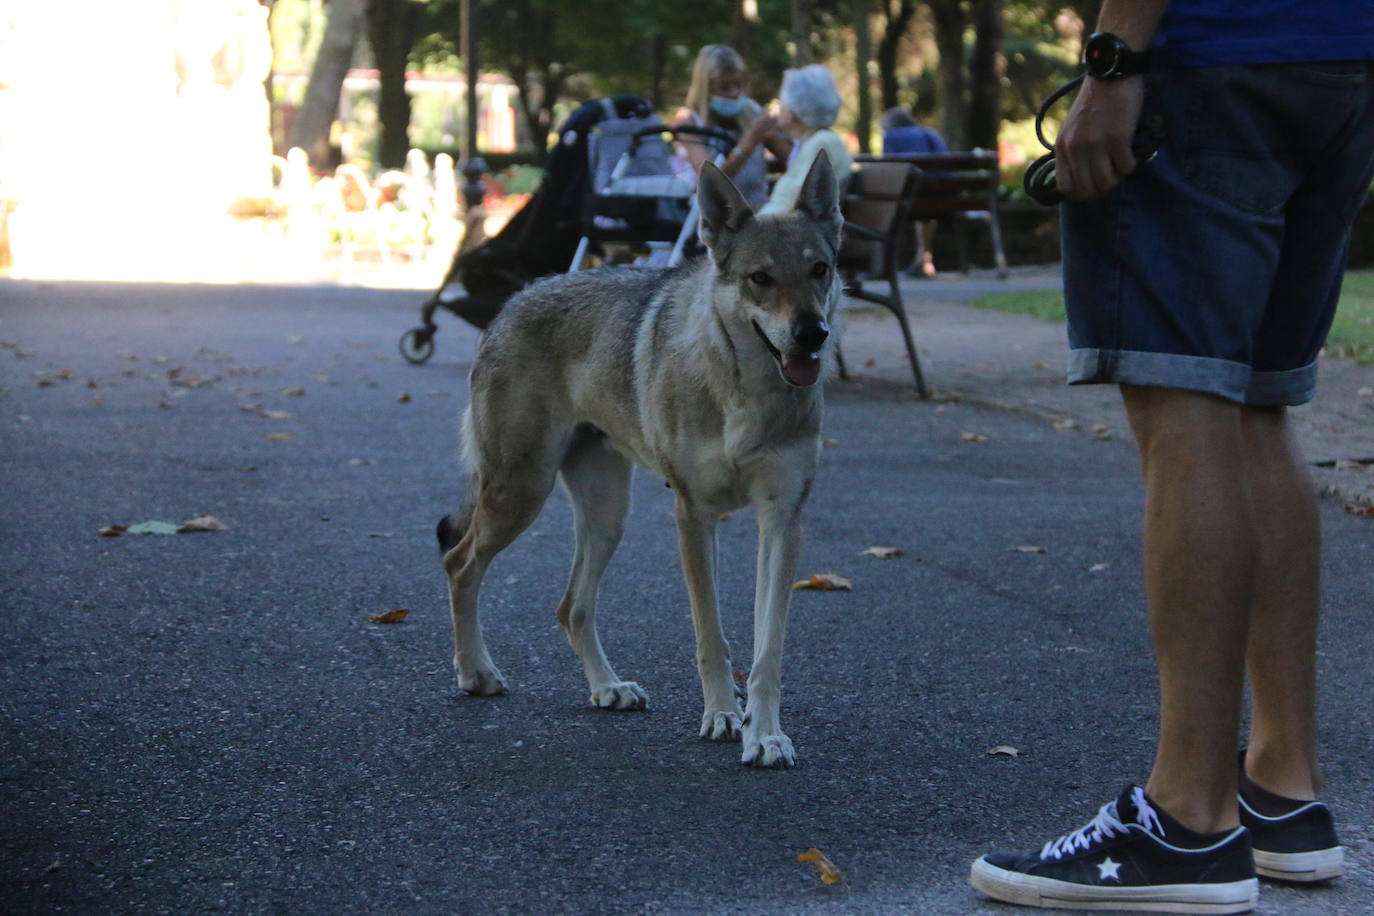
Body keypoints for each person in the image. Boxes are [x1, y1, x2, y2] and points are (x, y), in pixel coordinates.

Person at [970, 1, 1374, 913]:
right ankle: (1282, 788)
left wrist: (1114, 63)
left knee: (1187, 401)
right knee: (1260, 404)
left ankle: (1187, 819)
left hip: (1210, 57)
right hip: (1345, 60)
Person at [674, 44, 789, 212]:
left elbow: (794, 159)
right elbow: (711, 183)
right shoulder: (689, 122)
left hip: (759, 214)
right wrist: (749, 142)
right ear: (705, 88)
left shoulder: (752, 112)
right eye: (724, 87)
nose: (735, 93)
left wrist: (780, 134)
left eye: (739, 84)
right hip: (719, 220)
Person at [758, 64, 853, 216]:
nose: (779, 108)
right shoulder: (814, 142)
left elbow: (798, 204)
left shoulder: (823, 143)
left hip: (785, 233)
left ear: (793, 113)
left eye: (783, 103)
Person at [881, 107, 947, 277]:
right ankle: (924, 259)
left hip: (912, 198)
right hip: (944, 197)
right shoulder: (930, 133)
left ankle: (916, 260)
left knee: (918, 207)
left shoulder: (892, 137)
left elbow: (890, 169)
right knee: (926, 210)